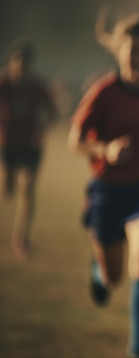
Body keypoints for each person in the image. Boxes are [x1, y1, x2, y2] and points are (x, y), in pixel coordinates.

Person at [67, 12, 139, 358]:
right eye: (133, 49)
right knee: (114, 277)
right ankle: (99, 271)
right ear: (119, 52)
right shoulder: (104, 92)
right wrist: (106, 149)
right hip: (110, 191)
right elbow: (75, 140)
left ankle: (137, 350)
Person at [0, 38, 57, 260]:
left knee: (28, 190)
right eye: (17, 62)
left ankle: (21, 237)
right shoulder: (3, 84)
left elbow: (52, 111)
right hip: (8, 144)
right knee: (7, 191)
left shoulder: (37, 87)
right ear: (11, 62)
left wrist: (41, 129)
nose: (20, 67)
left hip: (31, 145)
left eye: (24, 63)